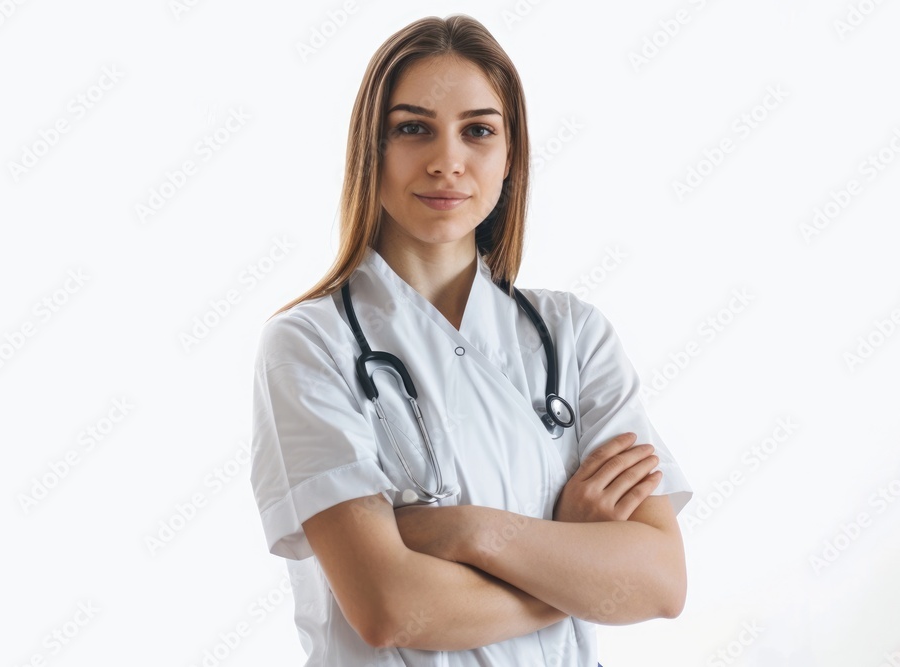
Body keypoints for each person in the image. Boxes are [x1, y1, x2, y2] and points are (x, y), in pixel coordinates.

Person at [249, 14, 694, 666]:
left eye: (478, 131)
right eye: (413, 129)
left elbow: (660, 580)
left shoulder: (575, 336)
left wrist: (469, 531)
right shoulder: (311, 345)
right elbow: (391, 607)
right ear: (370, 148)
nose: (447, 161)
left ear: (510, 155)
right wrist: (572, 560)